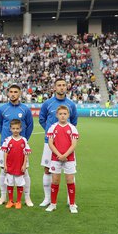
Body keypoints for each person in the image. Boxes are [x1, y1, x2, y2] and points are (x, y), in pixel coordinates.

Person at [39, 79, 78, 207]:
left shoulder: (71, 104)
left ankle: (69, 200)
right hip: (49, 143)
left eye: (63, 85)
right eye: (59, 85)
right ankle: (47, 199)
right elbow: (42, 119)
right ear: (54, 87)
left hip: (67, 144)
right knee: (47, 169)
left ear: (66, 87)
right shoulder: (47, 103)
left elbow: (73, 122)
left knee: (70, 172)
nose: (61, 87)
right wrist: (51, 132)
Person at [0, 84, 34, 206]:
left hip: (21, 147)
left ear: (20, 93)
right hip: (5, 145)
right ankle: (3, 197)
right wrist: (8, 139)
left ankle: (27, 198)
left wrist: (22, 141)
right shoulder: (2, 109)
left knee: (24, 172)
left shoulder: (25, 109)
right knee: (4, 171)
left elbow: (30, 126)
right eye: (11, 91)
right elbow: (0, 125)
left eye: (15, 92)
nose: (13, 94)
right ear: (8, 93)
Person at [45, 105, 79, 214]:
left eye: (65, 114)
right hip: (56, 158)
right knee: (55, 181)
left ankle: (72, 204)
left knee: (70, 180)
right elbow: (50, 143)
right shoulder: (53, 127)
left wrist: (65, 155)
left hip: (69, 159)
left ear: (68, 115)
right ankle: (53, 204)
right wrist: (59, 154)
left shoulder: (72, 128)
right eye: (60, 114)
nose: (63, 116)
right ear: (57, 115)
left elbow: (74, 144)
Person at [1, 119, 31, 209]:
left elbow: (26, 153)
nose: (15, 130)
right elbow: (5, 152)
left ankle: (18, 201)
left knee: (19, 183)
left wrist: (24, 165)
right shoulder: (7, 140)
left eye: (17, 128)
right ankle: (10, 201)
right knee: (10, 183)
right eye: (13, 128)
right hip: (10, 165)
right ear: (10, 129)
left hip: (19, 166)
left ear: (21, 129)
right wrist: (5, 165)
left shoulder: (24, 140)